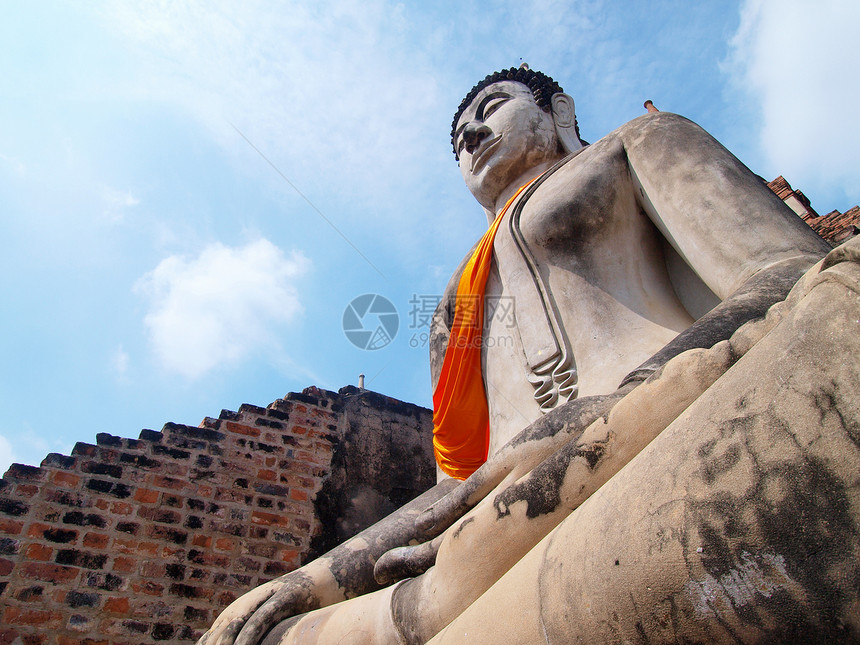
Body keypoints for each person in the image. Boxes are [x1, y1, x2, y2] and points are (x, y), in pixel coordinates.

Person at [199, 67, 833, 645]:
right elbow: (455, 490)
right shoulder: (456, 301)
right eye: (457, 142)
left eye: (492, 107)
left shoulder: (635, 144)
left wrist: (619, 406)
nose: (473, 134)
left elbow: (791, 274)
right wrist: (309, 582)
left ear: (558, 111)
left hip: (678, 428)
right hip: (498, 528)